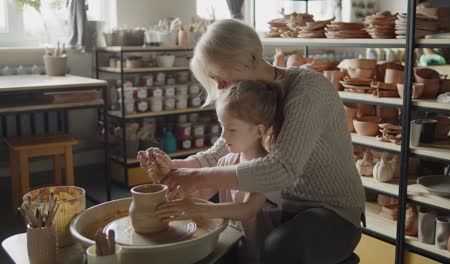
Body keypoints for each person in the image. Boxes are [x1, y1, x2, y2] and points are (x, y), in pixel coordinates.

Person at [138, 19, 365, 264]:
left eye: (220, 78)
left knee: (280, 246)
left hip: (332, 212)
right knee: (213, 228)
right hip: (281, 205)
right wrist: (176, 167)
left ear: (247, 61)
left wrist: (197, 178)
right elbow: (222, 150)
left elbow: (281, 170)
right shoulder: (251, 95)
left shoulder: (308, 89)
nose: (220, 87)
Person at [151, 81, 284, 263]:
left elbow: (247, 210)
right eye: (222, 126)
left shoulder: (266, 169)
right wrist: (175, 188)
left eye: (232, 129)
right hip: (234, 242)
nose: (223, 136)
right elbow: (203, 192)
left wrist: (198, 208)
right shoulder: (227, 160)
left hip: (261, 252)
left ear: (259, 131)